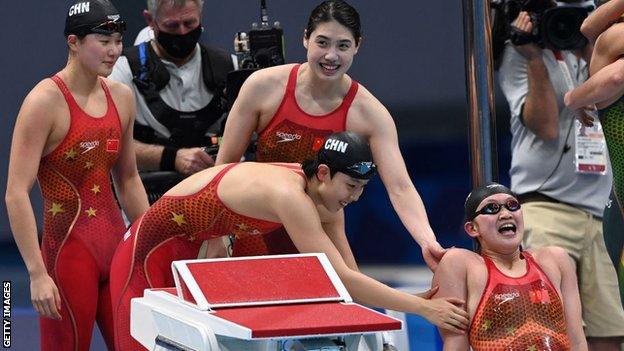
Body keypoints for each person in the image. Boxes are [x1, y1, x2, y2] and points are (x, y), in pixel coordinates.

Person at [109, 131, 470, 350]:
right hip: (145, 255)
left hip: (192, 257)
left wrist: (408, 303)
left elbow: (350, 279)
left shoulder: (329, 201)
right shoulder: (290, 196)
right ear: (324, 173)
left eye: (362, 189)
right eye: (351, 187)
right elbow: (341, 279)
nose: (356, 198)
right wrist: (421, 308)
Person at [215, 0, 445, 270]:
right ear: (305, 38)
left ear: (358, 45)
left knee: (348, 306)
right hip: (255, 232)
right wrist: (217, 235)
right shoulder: (262, 87)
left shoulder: (370, 114)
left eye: (343, 46)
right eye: (322, 43)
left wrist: (428, 241)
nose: (331, 56)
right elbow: (223, 168)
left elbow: (401, 188)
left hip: (323, 236)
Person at [4, 1, 150, 349]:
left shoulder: (122, 97)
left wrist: (146, 247)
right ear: (74, 42)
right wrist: (37, 274)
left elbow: (128, 179)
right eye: (104, 40)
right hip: (67, 257)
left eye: (118, 40)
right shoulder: (44, 102)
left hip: (116, 251)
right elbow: (15, 193)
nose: (115, 51)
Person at [497, 6, 624, 349]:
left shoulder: (600, 48)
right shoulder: (520, 57)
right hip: (544, 208)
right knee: (550, 327)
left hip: (601, 210)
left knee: (612, 332)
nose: (570, 23)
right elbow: (546, 126)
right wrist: (534, 57)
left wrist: (592, 47)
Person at [432, 183, 587, 350]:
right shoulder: (462, 265)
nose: (505, 214)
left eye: (512, 205)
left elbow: (577, 341)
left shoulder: (554, 260)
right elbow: (455, 345)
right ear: (472, 228)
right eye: (492, 208)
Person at [109, 0, 233, 177]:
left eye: (189, 23)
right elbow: (109, 144)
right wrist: (173, 158)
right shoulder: (121, 71)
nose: (182, 32)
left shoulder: (230, 68)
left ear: (201, 16)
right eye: (172, 25)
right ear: (150, 20)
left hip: (216, 185)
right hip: (151, 189)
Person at [564, 0, 624, 307]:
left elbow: (586, 27)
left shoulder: (604, 44)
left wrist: (573, 98)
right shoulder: (614, 39)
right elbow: (616, 76)